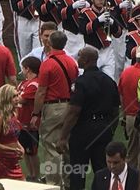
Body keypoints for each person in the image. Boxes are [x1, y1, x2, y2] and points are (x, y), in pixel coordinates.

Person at [61, 46, 121, 190]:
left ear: (86, 60)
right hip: (103, 129)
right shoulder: (109, 81)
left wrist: (63, 136)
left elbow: (74, 111)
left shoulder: (81, 82)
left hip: (83, 130)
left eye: (80, 56)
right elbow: (115, 110)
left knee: (77, 170)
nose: (78, 58)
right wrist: (110, 129)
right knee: (102, 170)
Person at [33, 30, 80, 189]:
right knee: (65, 145)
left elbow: (41, 91)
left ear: (50, 43)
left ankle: (53, 184)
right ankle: (67, 183)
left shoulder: (48, 63)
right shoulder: (72, 61)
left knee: (51, 147)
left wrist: (35, 113)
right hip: (70, 106)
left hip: (53, 107)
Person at [0, 85, 24, 180]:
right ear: (6, 98)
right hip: (2, 164)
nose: (17, 99)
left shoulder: (14, 114)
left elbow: (14, 138)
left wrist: (21, 148)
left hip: (14, 162)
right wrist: (12, 150)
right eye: (14, 96)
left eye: (17, 95)